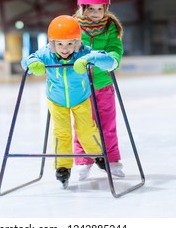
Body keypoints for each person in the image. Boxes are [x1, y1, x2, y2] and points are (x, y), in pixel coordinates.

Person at [21, 15, 117, 187]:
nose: (64, 49)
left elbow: (110, 62)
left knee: (86, 129)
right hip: (56, 100)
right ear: (52, 43)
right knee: (62, 132)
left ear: (77, 42)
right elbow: (25, 61)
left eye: (69, 44)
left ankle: (98, 155)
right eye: (59, 44)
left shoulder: (84, 51)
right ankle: (62, 167)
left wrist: (88, 59)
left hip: (80, 99)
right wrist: (32, 63)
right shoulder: (46, 53)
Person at [73, 0, 125, 180]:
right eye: (91, 9)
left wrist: (112, 59)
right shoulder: (73, 25)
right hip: (80, 85)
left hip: (103, 84)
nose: (95, 13)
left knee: (107, 124)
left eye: (100, 9)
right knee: (83, 124)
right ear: (82, 7)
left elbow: (115, 47)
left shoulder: (109, 26)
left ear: (106, 9)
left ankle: (112, 159)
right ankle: (83, 160)